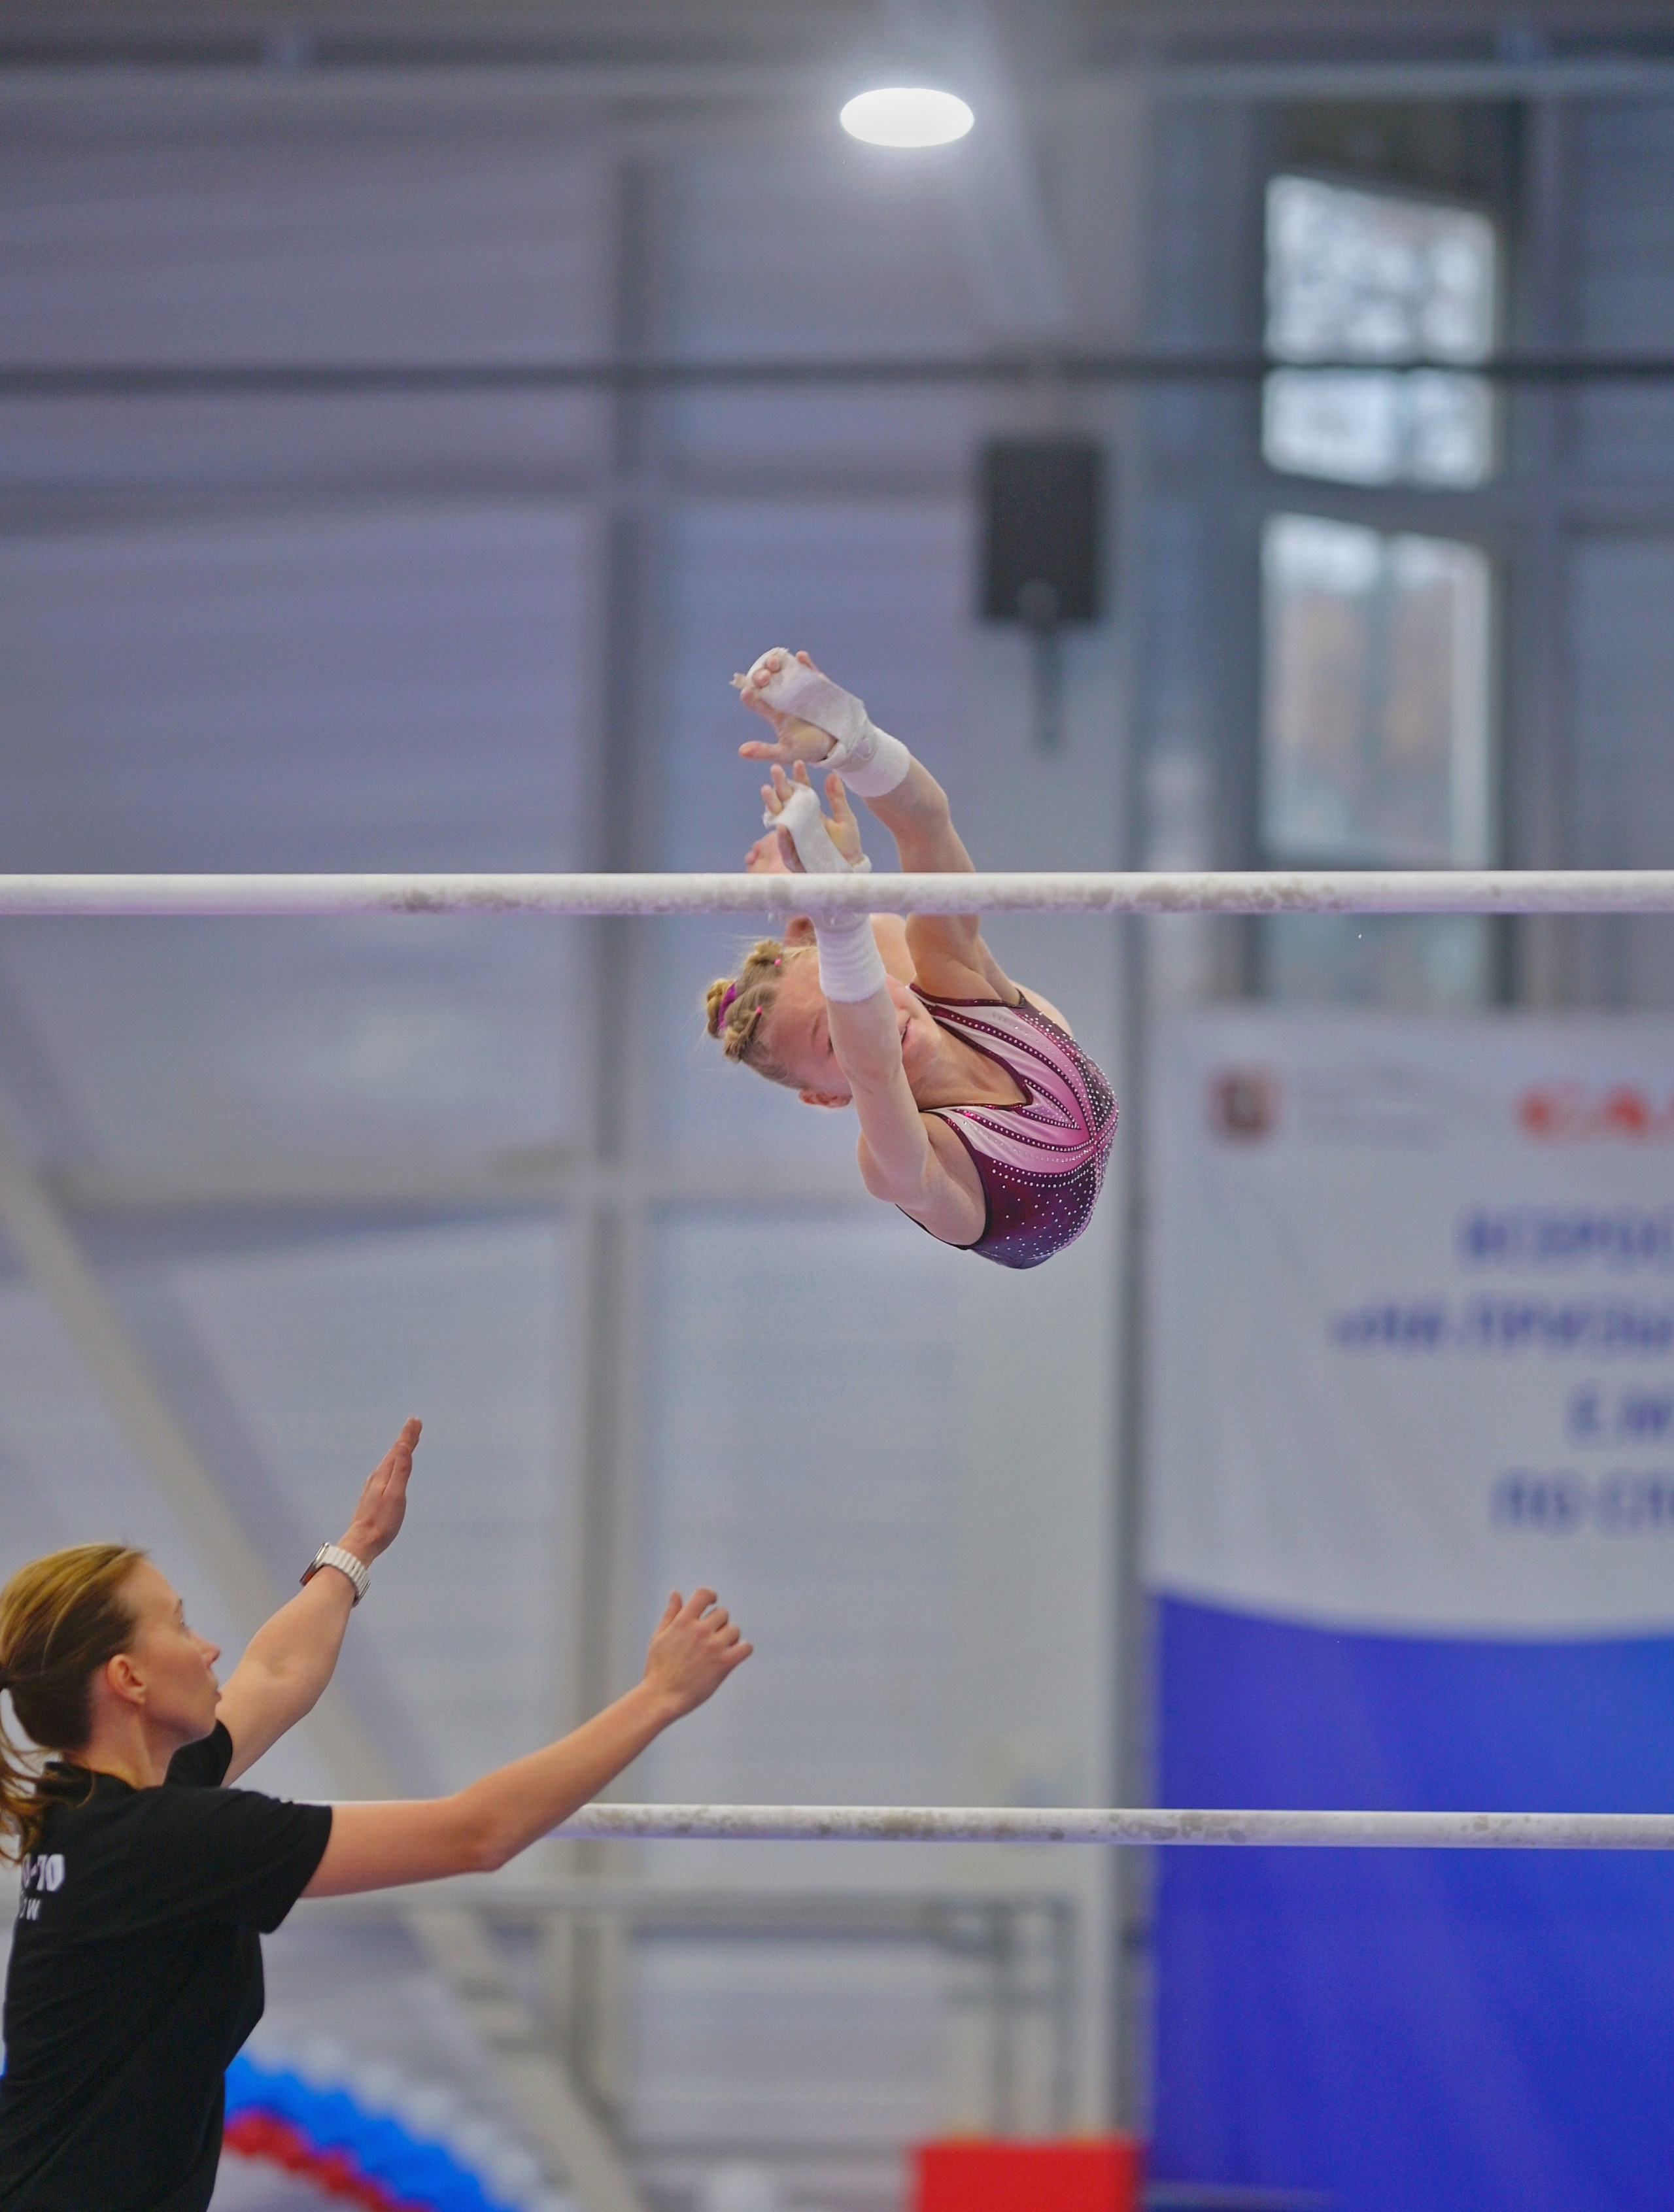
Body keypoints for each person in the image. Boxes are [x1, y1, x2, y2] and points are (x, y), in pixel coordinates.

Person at [0, 1418, 749, 2212]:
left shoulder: (96, 1808)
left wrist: (355, 1547)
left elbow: (277, 1671)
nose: (209, 1645)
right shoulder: (164, 1841)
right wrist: (657, 1698)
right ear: (130, 1679)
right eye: (181, 1623)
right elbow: (478, 1832)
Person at [706, 648, 1116, 1270]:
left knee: (906, 941)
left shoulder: (945, 984)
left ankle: (827, 894)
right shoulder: (897, 1161)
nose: (866, 1018)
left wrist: (853, 740)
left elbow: (928, 826)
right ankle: (829, 901)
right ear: (825, 1098)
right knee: (876, 962)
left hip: (999, 1040)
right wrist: (843, 921)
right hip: (1017, 1173)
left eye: (854, 990)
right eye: (830, 1038)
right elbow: (872, 1066)